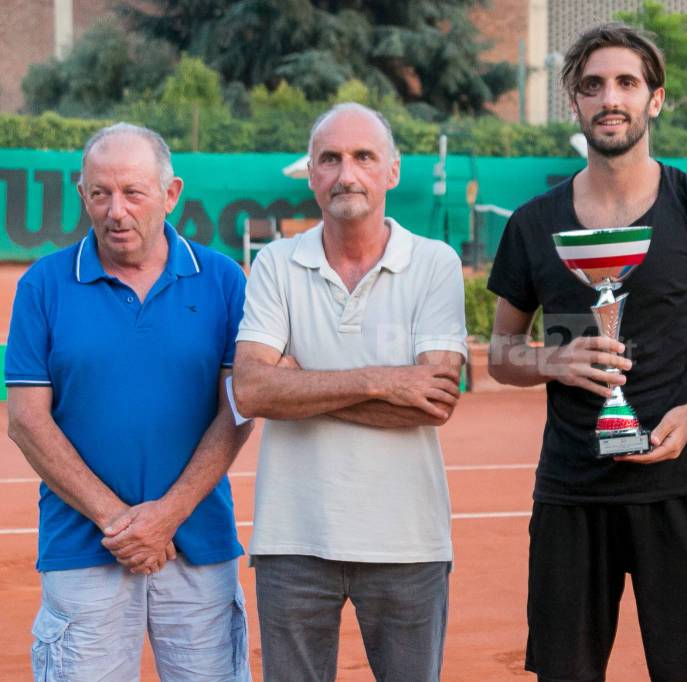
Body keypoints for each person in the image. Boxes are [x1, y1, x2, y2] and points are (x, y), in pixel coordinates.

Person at [486, 23, 687, 682]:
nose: (608, 98)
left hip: (685, 487)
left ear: (656, 99)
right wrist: (549, 361)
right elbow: (502, 351)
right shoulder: (534, 225)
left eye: (626, 83)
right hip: (571, 492)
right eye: (592, 85)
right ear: (575, 103)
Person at [6, 123, 254, 681]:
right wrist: (120, 522)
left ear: (170, 194)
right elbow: (25, 421)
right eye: (101, 193)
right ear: (82, 195)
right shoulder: (42, 285)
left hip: (198, 544)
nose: (116, 211)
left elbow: (236, 410)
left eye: (133, 192)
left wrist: (167, 516)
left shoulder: (222, 280)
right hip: (83, 546)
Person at [231, 103, 467, 682]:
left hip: (409, 543)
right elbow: (253, 388)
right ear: (311, 173)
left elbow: (434, 401)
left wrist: (301, 379)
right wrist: (382, 378)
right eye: (330, 159)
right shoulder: (276, 264)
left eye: (363, 156)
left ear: (392, 170)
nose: (347, 173)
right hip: (292, 540)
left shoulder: (435, 263)